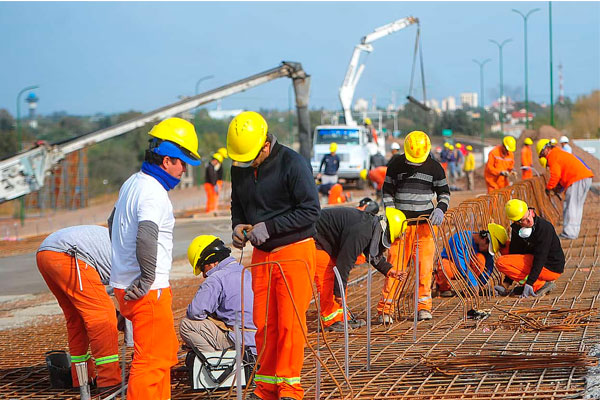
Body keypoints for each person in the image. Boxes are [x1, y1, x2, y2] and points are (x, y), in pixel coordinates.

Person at [228, 111, 320, 400]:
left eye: (252, 157)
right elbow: (237, 203)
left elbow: (310, 211)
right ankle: (266, 386)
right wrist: (238, 226)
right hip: (262, 256)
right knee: (264, 323)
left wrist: (271, 226)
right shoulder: (241, 167)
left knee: (289, 324)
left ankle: (289, 388)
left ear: (266, 145)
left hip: (294, 252)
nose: (247, 163)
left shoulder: (293, 164)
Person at [109, 117, 201, 399]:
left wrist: (122, 270)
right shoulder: (153, 192)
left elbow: (112, 222)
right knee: (150, 363)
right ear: (167, 161)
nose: (183, 169)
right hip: (148, 290)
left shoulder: (133, 183)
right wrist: (147, 277)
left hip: (129, 286)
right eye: (182, 162)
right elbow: (147, 236)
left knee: (160, 358)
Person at [378, 130, 450, 323]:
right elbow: (387, 191)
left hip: (425, 227)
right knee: (395, 268)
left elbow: (444, 193)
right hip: (401, 227)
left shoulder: (435, 167)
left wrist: (441, 209)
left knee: (424, 268)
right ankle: (386, 309)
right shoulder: (396, 164)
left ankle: (423, 308)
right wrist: (392, 214)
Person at [37, 225, 121, 390]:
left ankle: (81, 379)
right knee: (103, 316)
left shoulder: (125, 246)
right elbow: (130, 306)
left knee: (77, 319)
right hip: (69, 254)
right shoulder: (137, 265)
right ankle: (109, 380)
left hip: (45, 254)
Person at [314, 207, 407, 331]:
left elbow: (372, 253)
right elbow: (344, 263)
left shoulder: (370, 226)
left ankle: (341, 318)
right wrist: (338, 293)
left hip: (329, 242)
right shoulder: (361, 231)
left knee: (340, 283)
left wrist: (389, 270)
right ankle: (331, 321)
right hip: (316, 239)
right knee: (329, 279)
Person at [179, 235, 256, 354]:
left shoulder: (216, 279)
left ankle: (215, 362)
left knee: (187, 325)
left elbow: (194, 312)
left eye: (202, 268)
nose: (204, 275)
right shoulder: (244, 271)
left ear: (211, 262)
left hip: (240, 341)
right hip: (258, 340)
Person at [495, 199, 565, 297]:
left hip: (551, 267)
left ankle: (540, 285)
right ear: (517, 222)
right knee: (505, 248)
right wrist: (506, 283)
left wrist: (530, 283)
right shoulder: (517, 229)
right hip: (536, 262)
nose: (529, 220)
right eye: (523, 220)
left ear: (531, 211)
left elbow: (540, 257)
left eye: (529, 214)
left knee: (501, 262)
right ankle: (534, 282)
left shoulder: (544, 228)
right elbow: (514, 252)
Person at [537, 139, 594, 239]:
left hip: (577, 178)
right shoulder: (558, 153)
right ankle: (573, 232)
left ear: (545, 149)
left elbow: (555, 175)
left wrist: (549, 188)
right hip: (583, 177)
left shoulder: (553, 156)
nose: (544, 157)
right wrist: (559, 188)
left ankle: (570, 233)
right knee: (575, 206)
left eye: (542, 155)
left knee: (571, 206)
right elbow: (562, 174)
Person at [434, 226, 501, 297]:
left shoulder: (484, 248)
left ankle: (473, 288)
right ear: (485, 239)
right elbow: (461, 263)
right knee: (445, 267)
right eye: (488, 249)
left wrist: (480, 285)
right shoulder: (460, 238)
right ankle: (444, 289)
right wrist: (473, 283)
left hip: (469, 271)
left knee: (480, 259)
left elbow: (489, 267)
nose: (487, 251)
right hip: (454, 265)